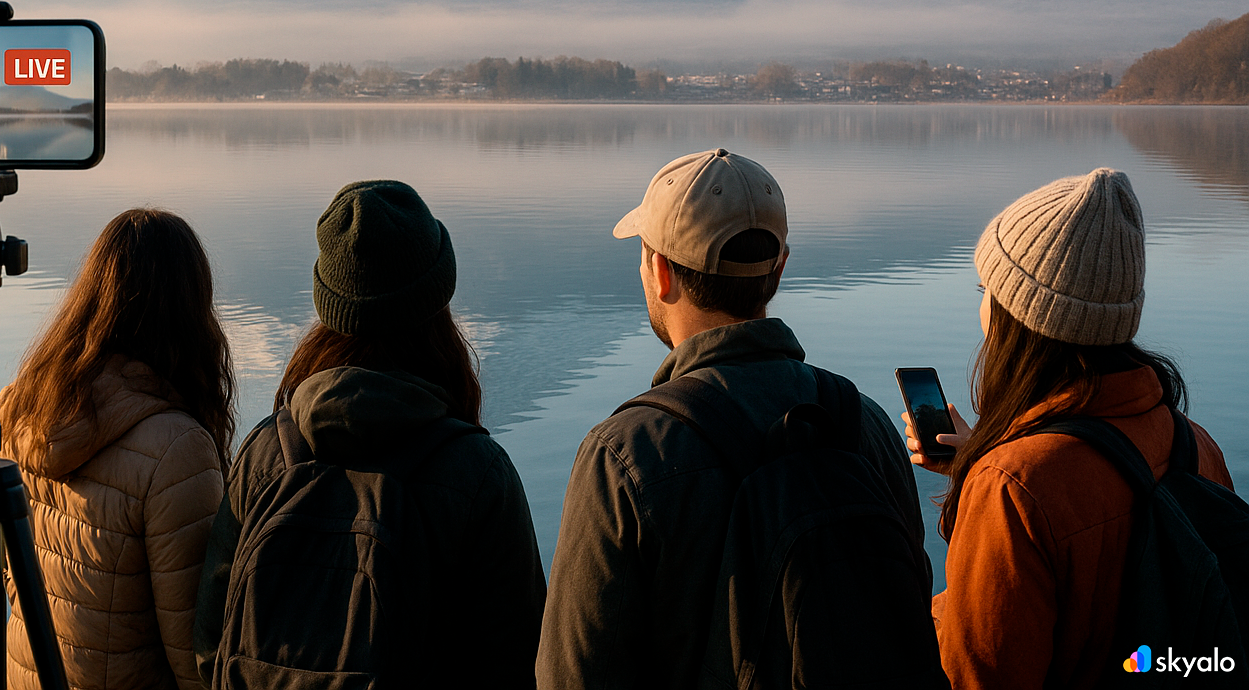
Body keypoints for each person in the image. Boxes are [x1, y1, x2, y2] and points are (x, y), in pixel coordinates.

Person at [537, 148, 939, 690]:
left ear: (658, 272)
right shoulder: (864, 423)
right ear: (779, 268)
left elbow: (573, 676)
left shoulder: (625, 454)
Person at [194, 179, 546, 689]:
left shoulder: (268, 451)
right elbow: (516, 660)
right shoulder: (477, 472)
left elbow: (210, 645)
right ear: (436, 300)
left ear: (328, 302)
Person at [904, 168, 1235, 689]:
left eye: (987, 288)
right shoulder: (1196, 442)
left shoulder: (1012, 488)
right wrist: (976, 469)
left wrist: (992, 479)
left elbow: (982, 673)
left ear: (1019, 315)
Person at [0, 208, 235, 690]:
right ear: (191, 310)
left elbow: (8, 574)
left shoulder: (19, 407)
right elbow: (193, 655)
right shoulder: (176, 449)